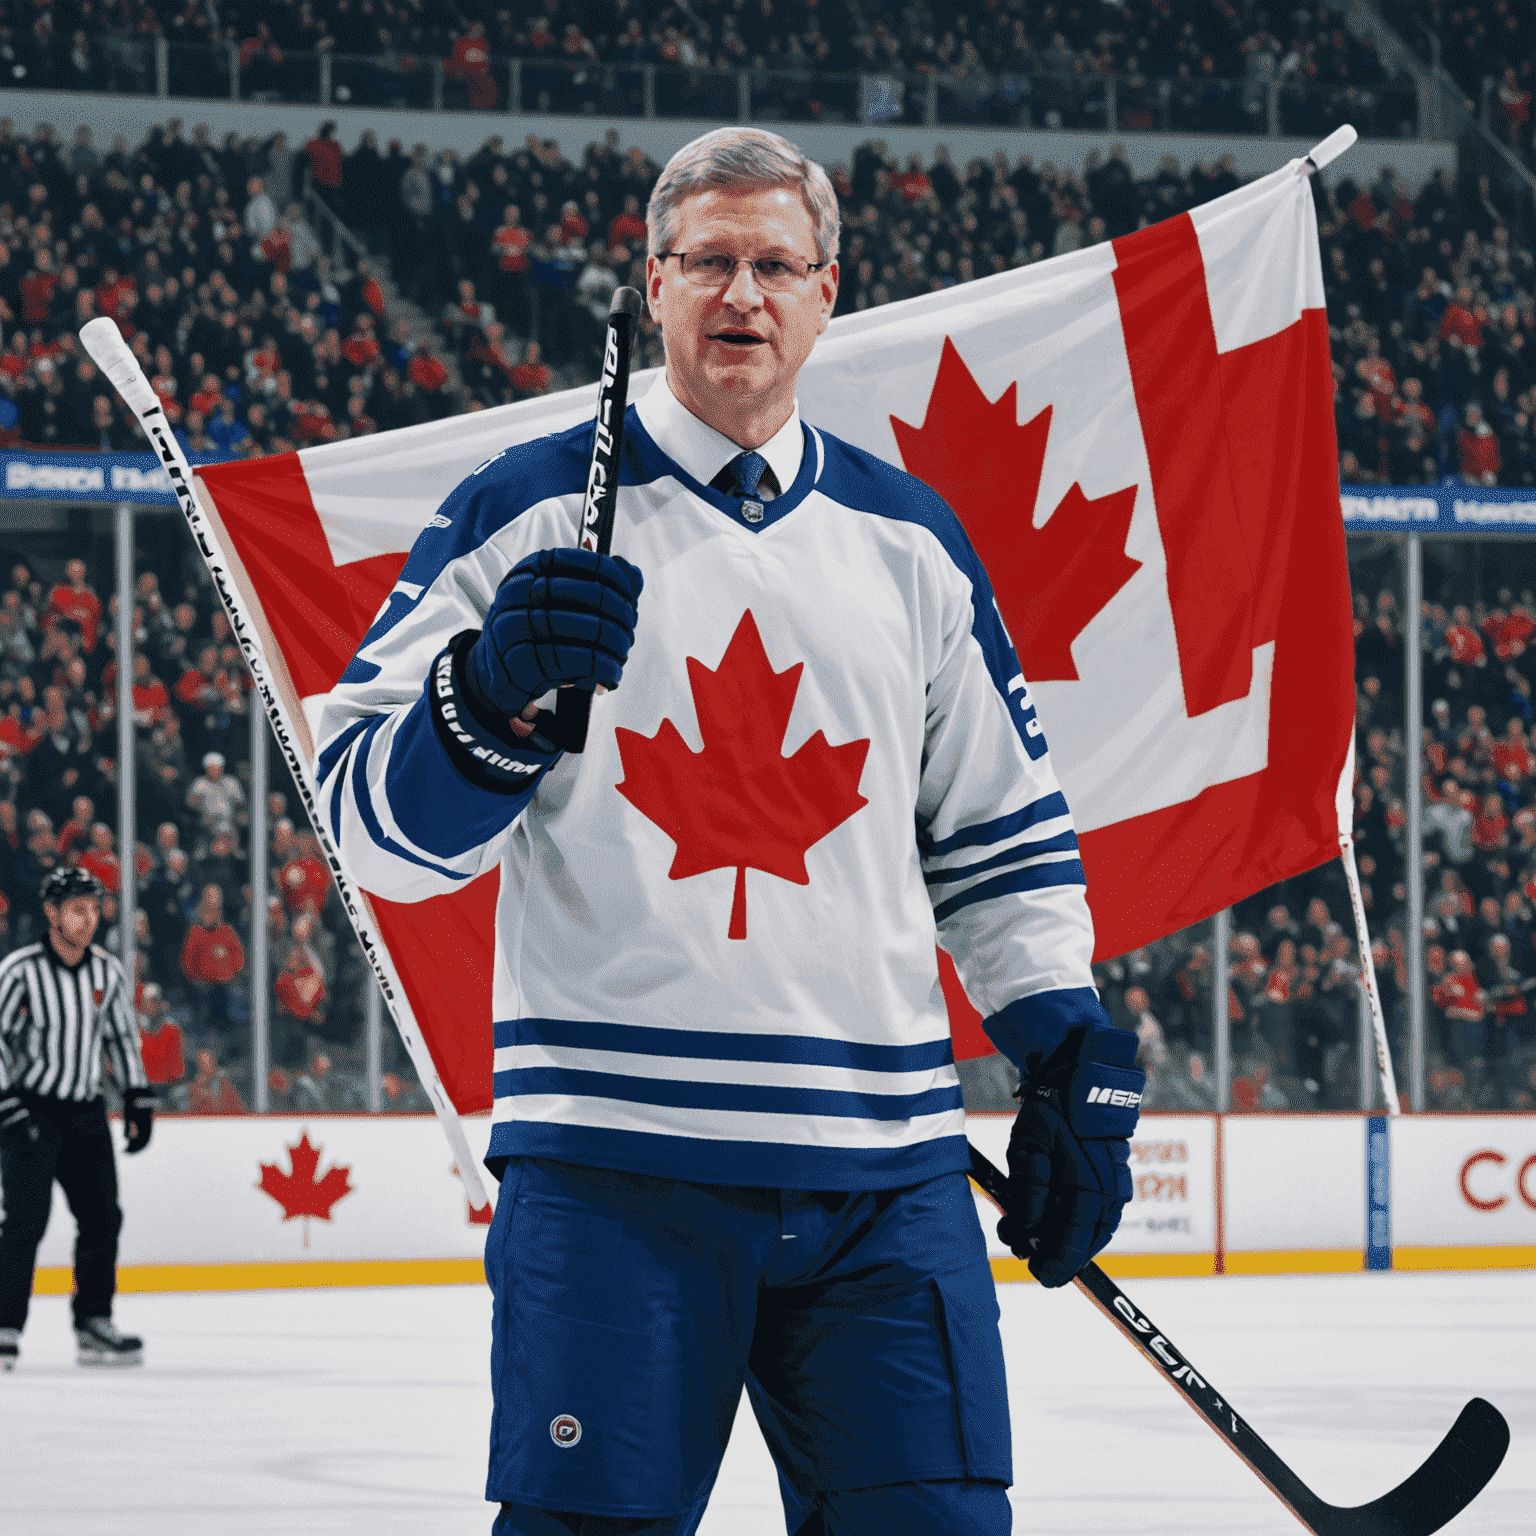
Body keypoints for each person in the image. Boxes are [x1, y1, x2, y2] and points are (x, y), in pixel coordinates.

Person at [315, 125, 1141, 1535]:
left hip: (887, 1178)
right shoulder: (517, 512)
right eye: (710, 262)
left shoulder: (914, 541)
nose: (741, 295)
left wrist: (1066, 1043)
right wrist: (485, 701)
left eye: (774, 264)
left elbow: (1000, 837)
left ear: (830, 290)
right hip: (614, 1170)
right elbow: (373, 840)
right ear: (654, 285)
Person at [0, 868, 155, 1370]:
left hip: (86, 1113)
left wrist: (136, 1095)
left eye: (93, 909)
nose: (88, 920)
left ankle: (93, 1322)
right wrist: (5, 1102)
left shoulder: (106, 972)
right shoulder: (21, 970)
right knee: (25, 1222)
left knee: (103, 1217)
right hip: (32, 1111)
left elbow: (120, 1038)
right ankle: (4, 1327)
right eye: (76, 910)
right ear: (52, 914)